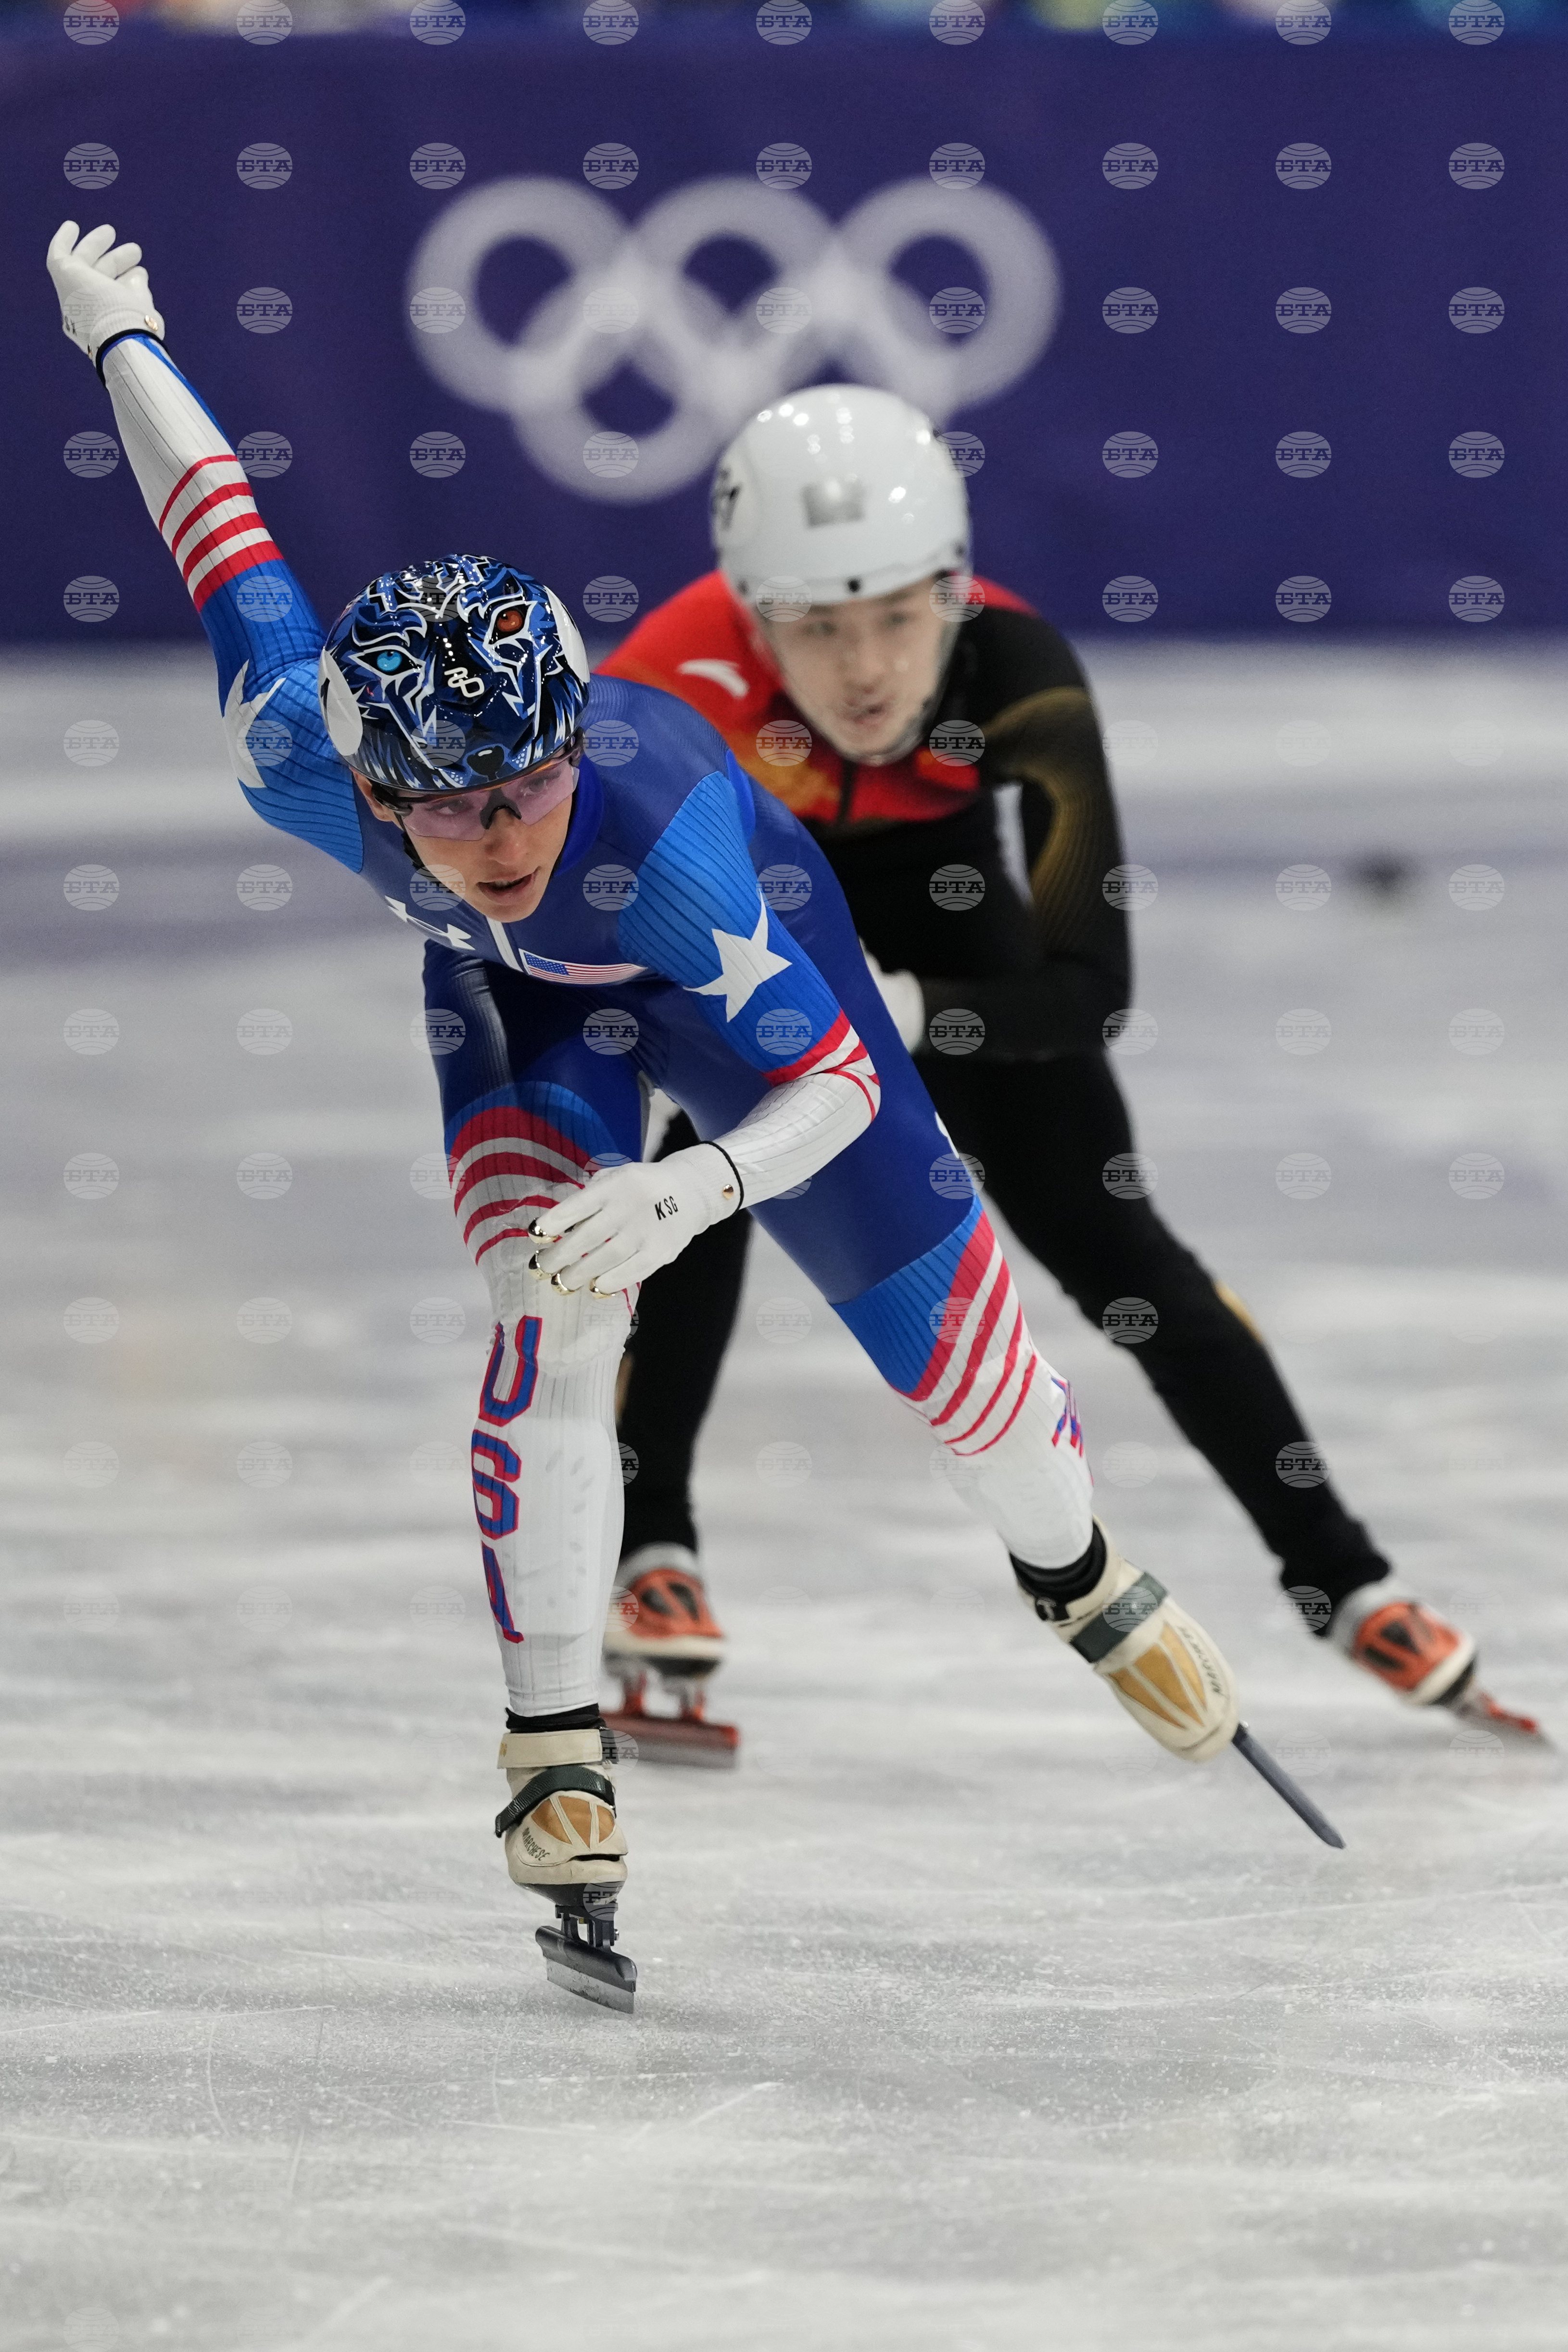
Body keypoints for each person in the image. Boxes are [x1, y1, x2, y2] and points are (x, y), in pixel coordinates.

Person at [48, 224, 1273, 2004]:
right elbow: (215, 518)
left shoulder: (663, 846)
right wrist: (122, 335)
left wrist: (693, 1190)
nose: (506, 836)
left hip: (747, 1007)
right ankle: (552, 1748)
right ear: (370, 780)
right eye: (452, 813)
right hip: (514, 1010)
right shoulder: (289, 746)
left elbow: (843, 1084)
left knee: (965, 1386)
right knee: (549, 1299)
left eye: (529, 785)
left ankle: (1078, 1575)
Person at [600, 384, 1533, 1745]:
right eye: (815, 627)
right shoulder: (659, 687)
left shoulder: (1020, 672)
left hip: (937, 920)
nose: (864, 670)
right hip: (755, 912)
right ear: (751, 617)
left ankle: (1344, 1574)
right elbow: (592, 929)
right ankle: (651, 1545)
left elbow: (1086, 992)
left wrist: (899, 1009)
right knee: (703, 1176)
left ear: (957, 593)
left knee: (1118, 1250)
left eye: (899, 617)